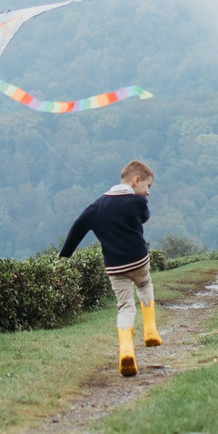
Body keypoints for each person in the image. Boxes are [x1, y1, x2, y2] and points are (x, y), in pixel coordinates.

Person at [61, 160, 161, 375]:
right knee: (144, 285)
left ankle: (126, 350)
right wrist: (140, 203)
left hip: (115, 267)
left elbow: (78, 227)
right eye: (148, 186)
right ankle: (150, 329)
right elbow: (144, 217)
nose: (148, 193)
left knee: (125, 306)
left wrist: (65, 253)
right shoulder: (137, 202)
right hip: (138, 260)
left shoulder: (96, 207)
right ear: (136, 180)